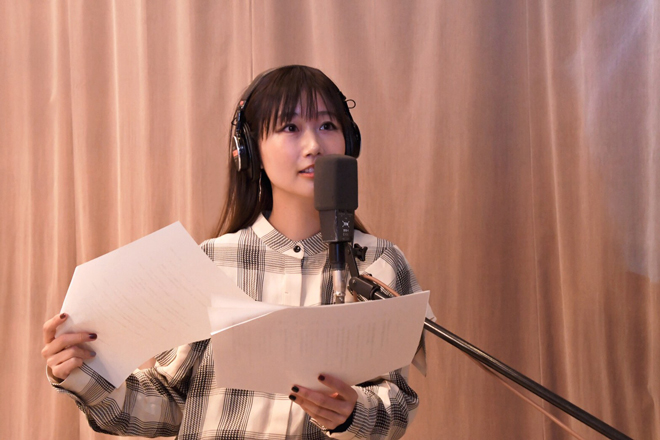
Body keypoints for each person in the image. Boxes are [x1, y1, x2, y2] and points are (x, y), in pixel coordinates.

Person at [41, 65, 431, 439]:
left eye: (328, 126)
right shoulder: (210, 261)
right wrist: (79, 372)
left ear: (350, 142)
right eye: (290, 127)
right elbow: (171, 404)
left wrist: (352, 414)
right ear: (249, 150)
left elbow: (398, 406)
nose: (314, 145)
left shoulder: (379, 264)